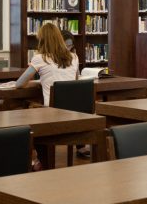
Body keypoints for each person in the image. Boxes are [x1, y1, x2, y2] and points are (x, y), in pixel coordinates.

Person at [15, 23, 79, 171]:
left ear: (42, 40)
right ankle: (40, 161)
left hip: (53, 114)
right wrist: (42, 82)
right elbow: (73, 81)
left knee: (28, 116)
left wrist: (35, 83)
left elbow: (19, 84)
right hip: (75, 113)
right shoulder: (73, 57)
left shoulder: (40, 58)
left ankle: (39, 160)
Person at [60, 29, 91, 159]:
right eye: (65, 45)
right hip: (57, 94)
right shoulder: (49, 57)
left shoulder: (74, 57)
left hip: (68, 93)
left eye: (70, 46)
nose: (68, 48)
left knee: (79, 106)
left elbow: (76, 75)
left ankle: (80, 145)